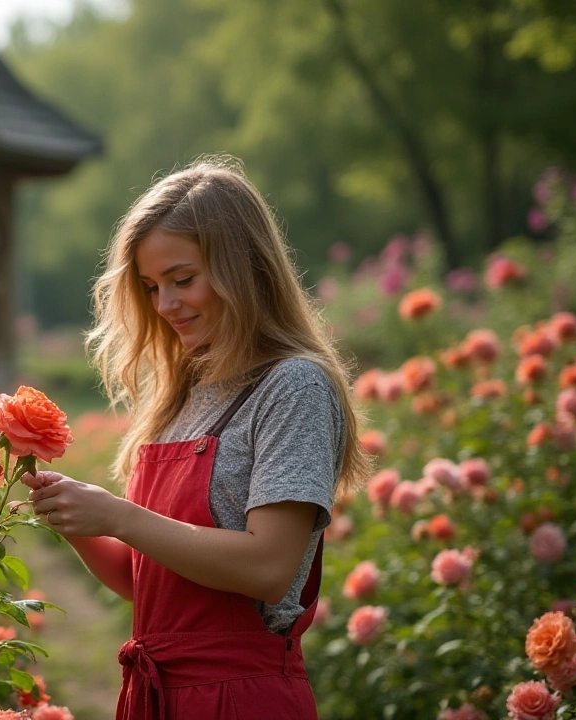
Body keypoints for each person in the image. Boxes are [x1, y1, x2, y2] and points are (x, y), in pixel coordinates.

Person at [23, 157, 370, 719]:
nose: (165, 305)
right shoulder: (182, 395)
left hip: (242, 696)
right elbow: (148, 585)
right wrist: (74, 517)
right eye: (151, 286)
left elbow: (268, 566)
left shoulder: (292, 386)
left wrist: (116, 516)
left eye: (183, 280)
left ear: (247, 267)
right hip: (161, 696)